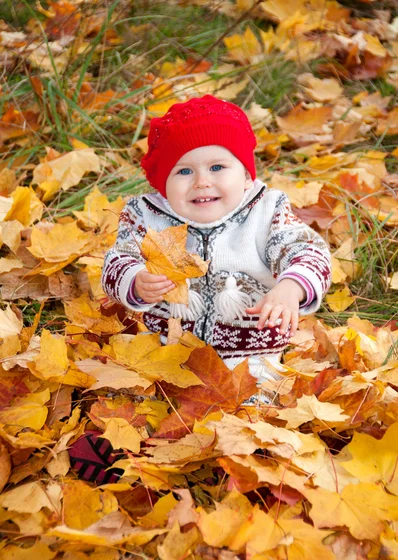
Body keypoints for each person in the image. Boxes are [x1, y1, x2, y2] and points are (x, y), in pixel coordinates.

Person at [101, 95, 332, 402]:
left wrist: (292, 286)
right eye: (184, 171)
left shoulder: (267, 212)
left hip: (251, 354)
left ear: (247, 176)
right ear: (163, 183)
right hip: (165, 348)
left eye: (218, 167)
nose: (202, 182)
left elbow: (306, 249)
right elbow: (119, 258)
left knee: (254, 407)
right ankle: (121, 437)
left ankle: (250, 436)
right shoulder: (145, 216)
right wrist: (134, 279)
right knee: (135, 393)